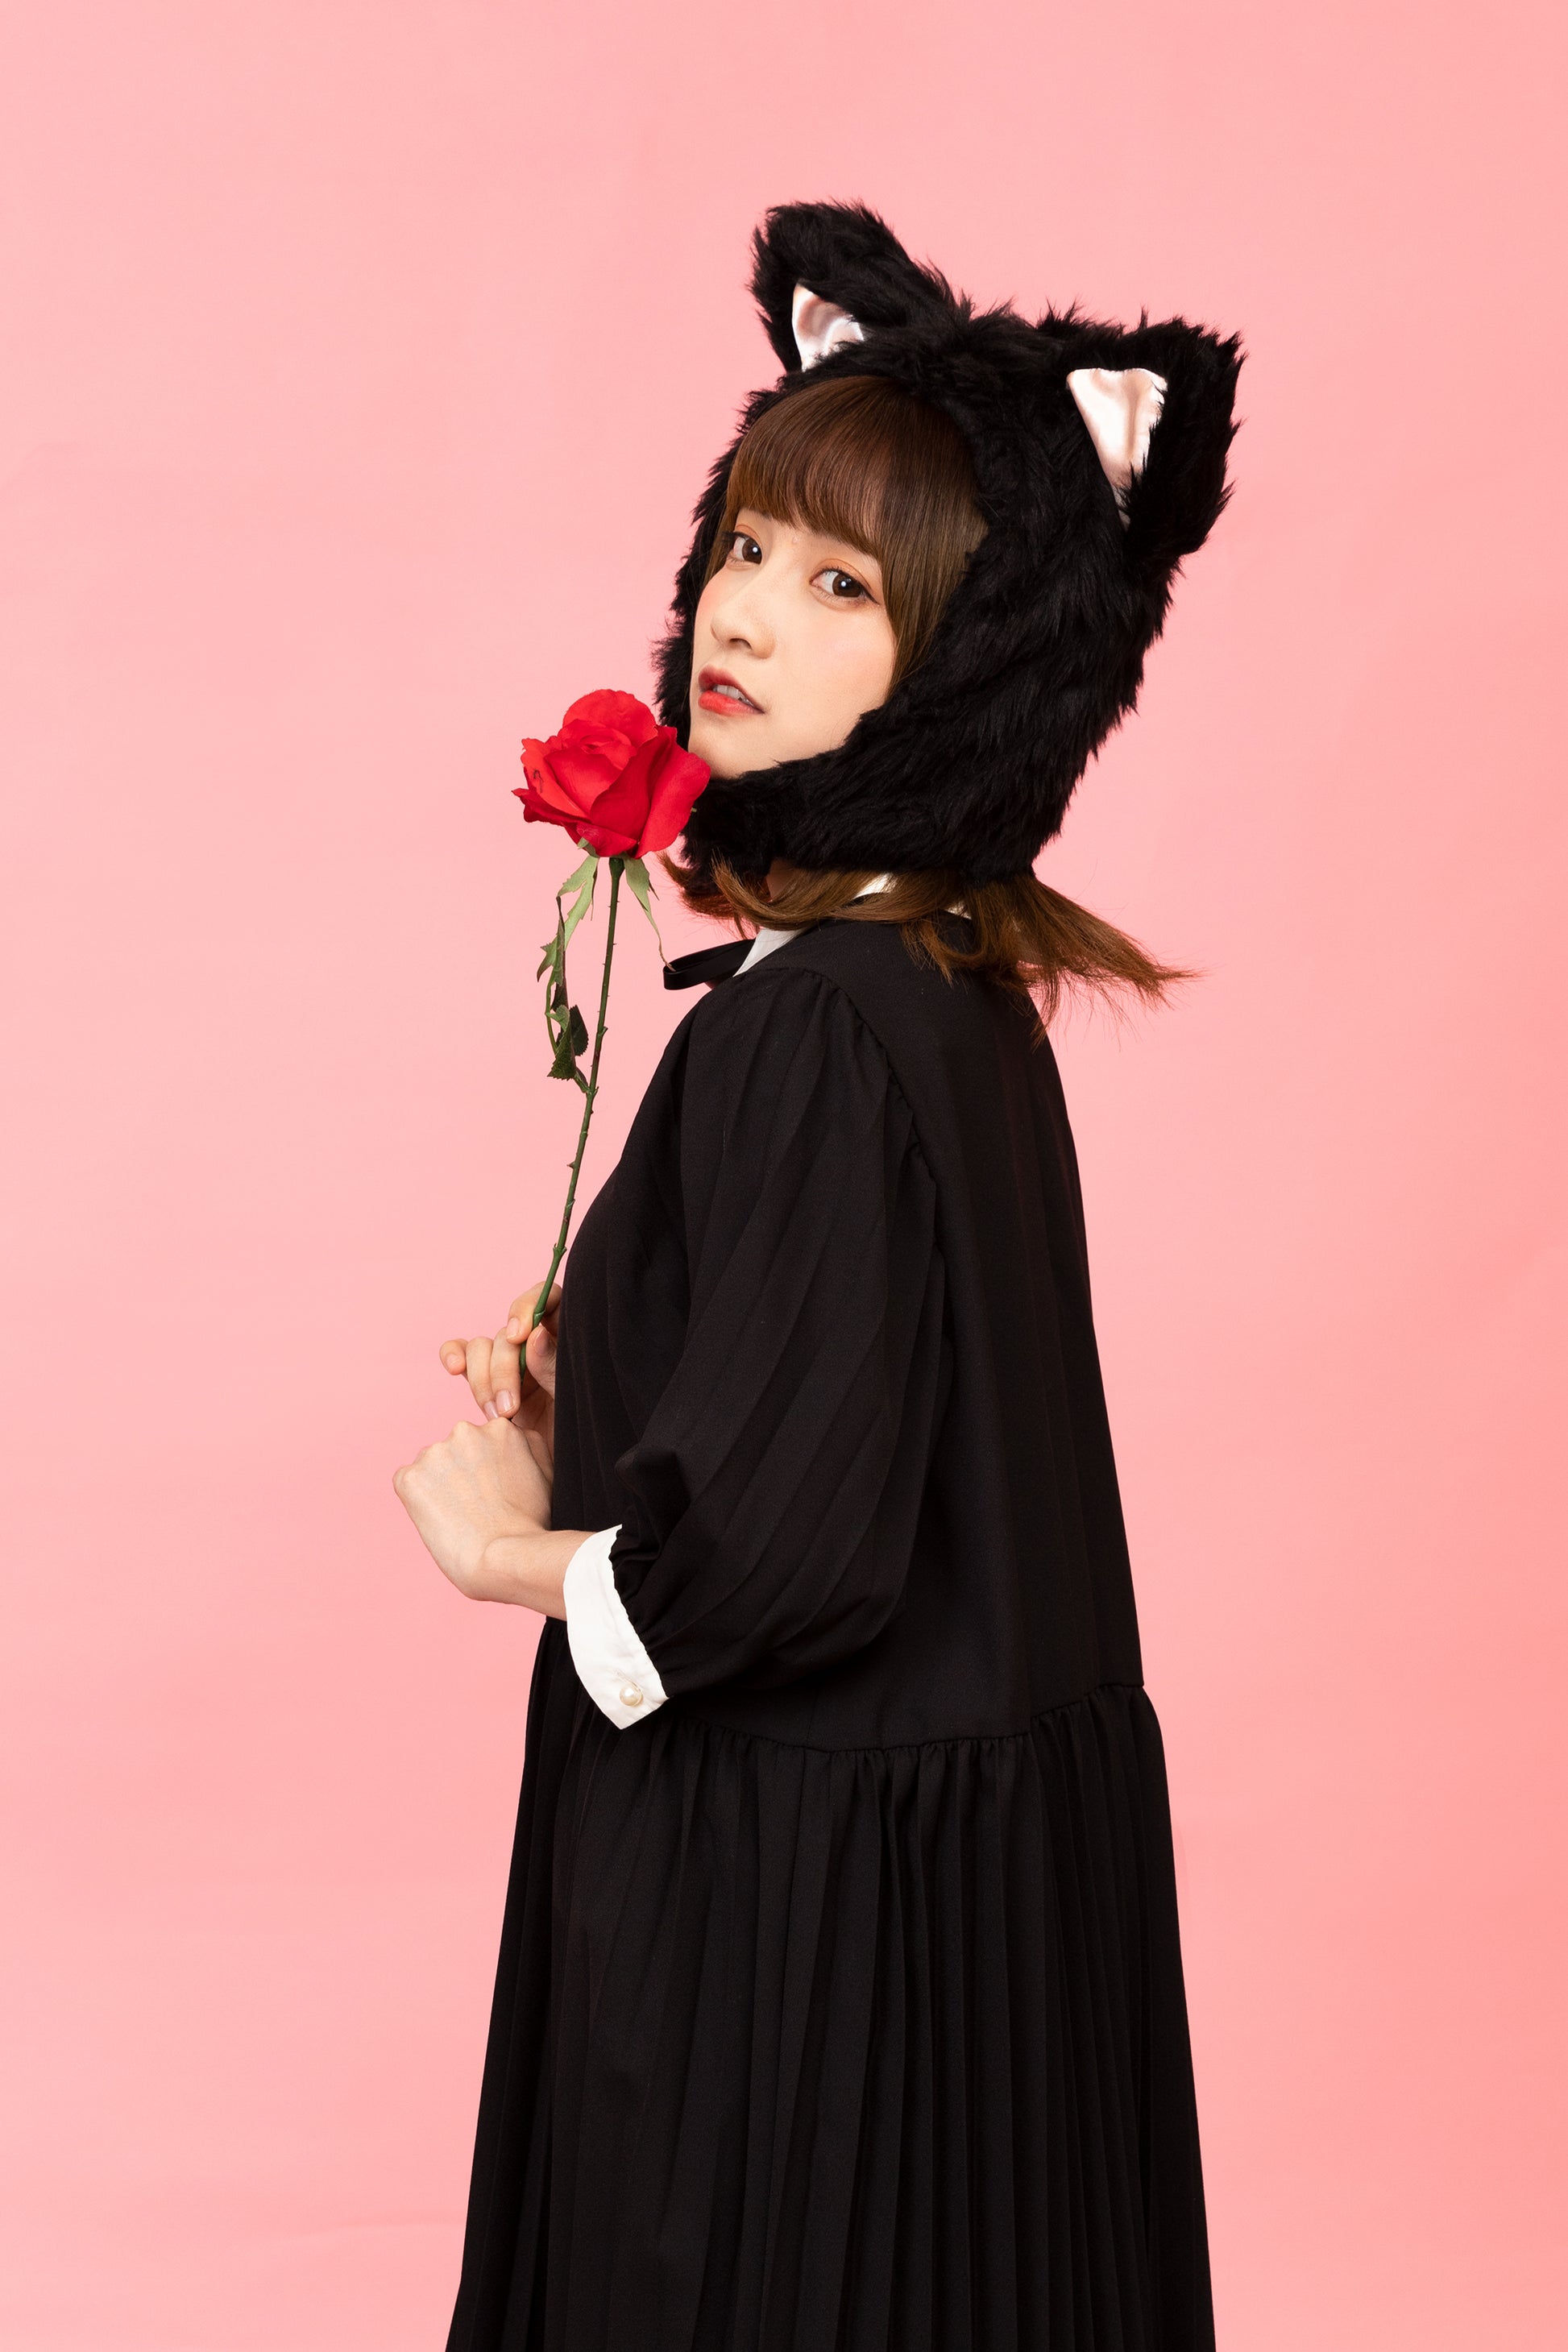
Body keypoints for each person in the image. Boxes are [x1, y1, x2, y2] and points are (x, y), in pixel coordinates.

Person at [395, 201, 1241, 2352]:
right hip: (955, 1934)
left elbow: (778, 1565)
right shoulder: (943, 994)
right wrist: (620, 1376)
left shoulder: (809, 1032)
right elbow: (882, 1418)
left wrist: (511, 1550)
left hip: (802, 1946)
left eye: (844, 582)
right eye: (749, 544)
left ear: (974, 662)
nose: (744, 610)